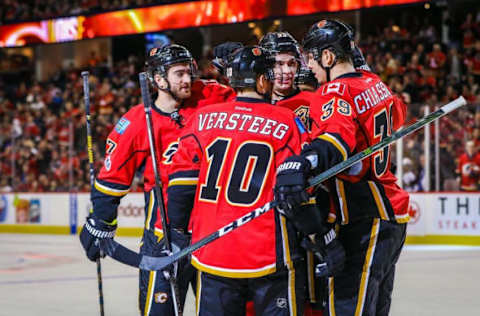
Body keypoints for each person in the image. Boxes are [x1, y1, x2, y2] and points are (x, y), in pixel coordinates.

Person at [79, 44, 234, 316]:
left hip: (212, 227)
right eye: (179, 74)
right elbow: (111, 180)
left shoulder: (209, 96)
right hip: (163, 231)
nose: (187, 79)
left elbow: (248, 101)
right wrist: (101, 222)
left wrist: (235, 68)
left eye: (189, 72)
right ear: (159, 79)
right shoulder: (137, 122)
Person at [274, 19, 410, 316]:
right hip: (392, 215)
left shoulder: (333, 92)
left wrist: (306, 160)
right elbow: (398, 116)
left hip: (363, 215)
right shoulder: (376, 84)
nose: (307, 65)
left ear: (328, 57)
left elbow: (337, 139)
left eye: (311, 57)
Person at [166, 46, 308, 316]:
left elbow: (182, 181)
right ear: (263, 80)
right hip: (267, 253)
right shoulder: (286, 120)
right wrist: (317, 232)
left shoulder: (202, 118)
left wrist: (177, 233)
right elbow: (296, 189)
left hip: (212, 252)